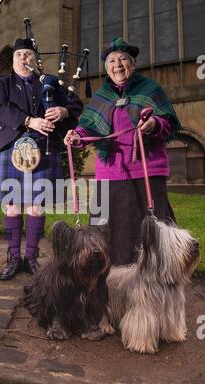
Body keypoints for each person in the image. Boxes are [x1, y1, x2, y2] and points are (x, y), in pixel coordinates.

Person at [64, 38, 182, 266]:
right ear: (107, 68)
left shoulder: (150, 89)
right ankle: (109, 276)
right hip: (111, 174)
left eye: (123, 59)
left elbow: (167, 122)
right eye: (111, 60)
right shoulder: (101, 97)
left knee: (150, 229)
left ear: (133, 64)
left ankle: (155, 278)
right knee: (108, 229)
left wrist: (154, 124)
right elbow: (87, 126)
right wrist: (76, 135)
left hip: (145, 171)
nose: (117, 64)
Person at [0, 38, 83, 281]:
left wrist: (63, 111)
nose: (23, 59)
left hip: (43, 147)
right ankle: (13, 258)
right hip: (10, 147)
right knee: (12, 204)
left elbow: (76, 105)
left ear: (34, 59)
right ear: (13, 59)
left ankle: (31, 257)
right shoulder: (3, 83)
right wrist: (30, 121)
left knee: (35, 205)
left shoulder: (48, 82)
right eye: (19, 55)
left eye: (28, 55)